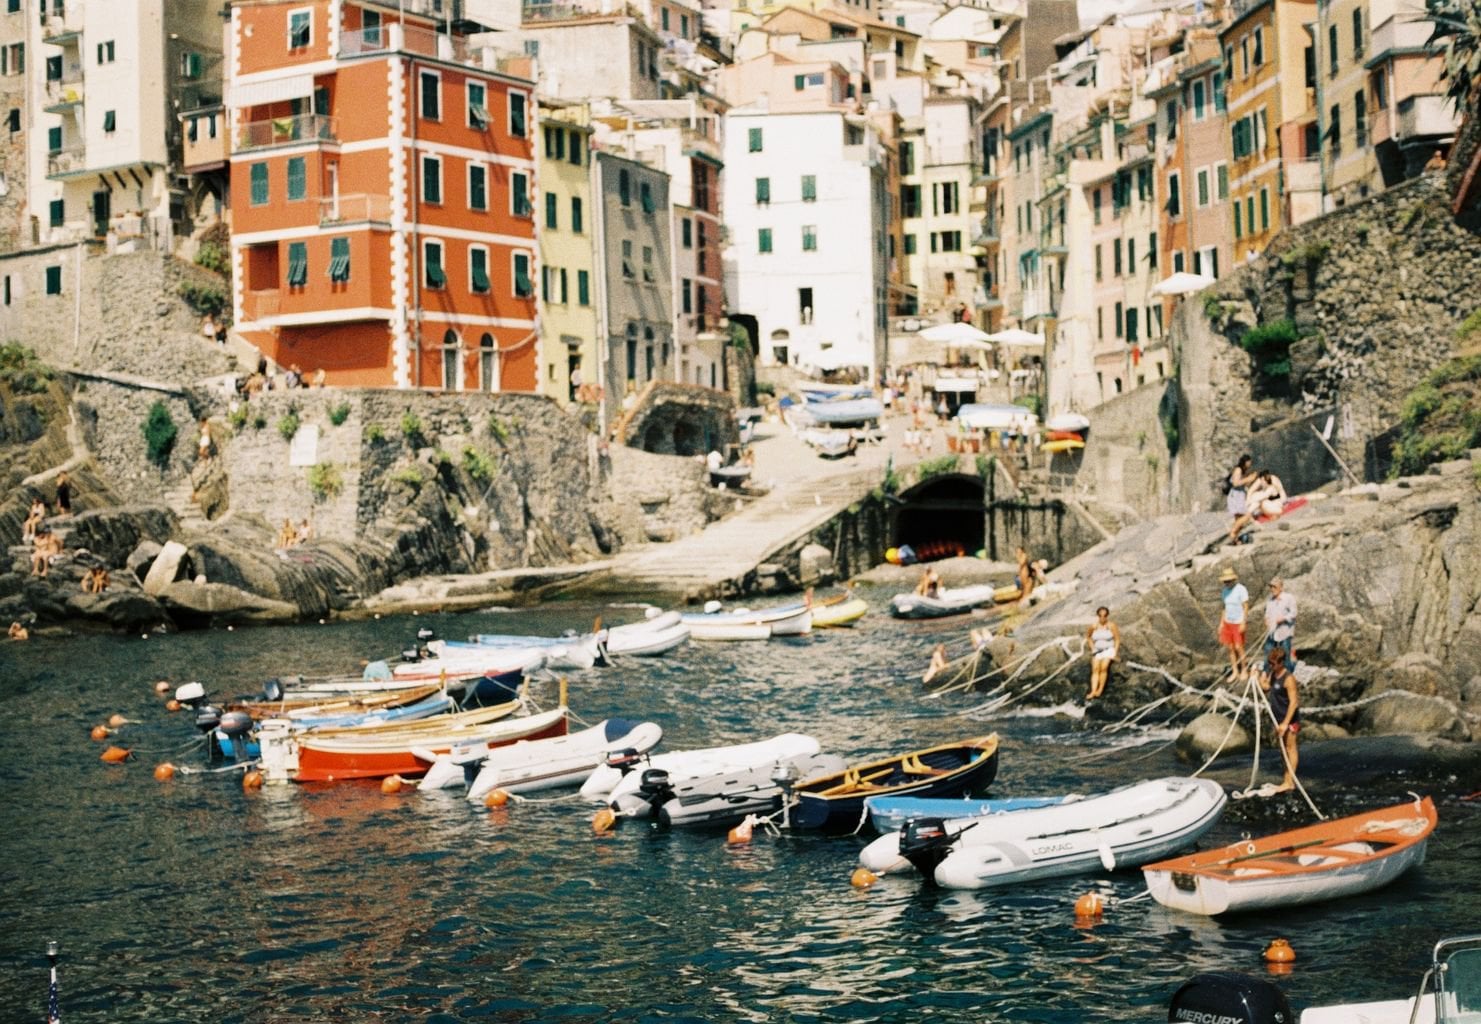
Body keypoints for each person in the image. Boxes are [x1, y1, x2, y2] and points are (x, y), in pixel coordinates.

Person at [1257, 645, 1301, 792]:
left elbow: (1294, 702)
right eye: (1269, 663)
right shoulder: (1273, 674)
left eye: (1273, 664)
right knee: (1283, 750)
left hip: (1289, 720)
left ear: (1281, 663)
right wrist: (1257, 675)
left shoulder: (1289, 679)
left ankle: (1290, 781)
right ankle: (1286, 780)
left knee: (1290, 748)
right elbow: (1265, 687)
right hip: (1278, 718)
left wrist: (1285, 724)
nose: (1271, 666)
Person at [1230, 470, 1288, 541]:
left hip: (1276, 505)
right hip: (1268, 504)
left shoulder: (1272, 484)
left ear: (1264, 479)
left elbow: (1280, 497)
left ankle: (1241, 521)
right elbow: (1251, 491)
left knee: (1257, 502)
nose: (1261, 483)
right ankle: (1244, 517)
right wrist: (1248, 501)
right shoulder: (1262, 481)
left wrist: (1250, 501)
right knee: (1254, 503)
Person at [1218, 566, 1250, 678]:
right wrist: (1221, 623)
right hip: (1228, 622)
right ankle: (1235, 670)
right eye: (1225, 581)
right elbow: (1224, 608)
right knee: (1230, 648)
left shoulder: (1241, 589)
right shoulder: (1224, 591)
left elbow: (1246, 607)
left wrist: (1243, 622)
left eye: (1228, 581)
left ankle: (1244, 670)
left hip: (1238, 622)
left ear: (1233, 580)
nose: (1227, 583)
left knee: (1239, 647)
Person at [1085, 605, 1120, 700]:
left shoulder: (1111, 626)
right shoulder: (1094, 626)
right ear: (1098, 616)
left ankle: (1100, 690)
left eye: (1104, 615)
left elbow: (1117, 639)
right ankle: (1093, 691)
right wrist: (1093, 648)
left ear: (1107, 616)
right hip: (1097, 650)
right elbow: (1088, 637)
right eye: (1100, 615)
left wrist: (1115, 653)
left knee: (1103, 667)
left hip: (1109, 650)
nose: (1102, 618)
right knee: (1095, 668)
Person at [1264, 577, 1297, 668]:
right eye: (1271, 587)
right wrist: (1266, 620)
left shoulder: (1289, 598)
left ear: (1281, 587)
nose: (1272, 589)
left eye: (1274, 587)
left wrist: (1283, 619)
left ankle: (1287, 676)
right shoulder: (1270, 600)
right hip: (1272, 633)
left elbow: (1293, 613)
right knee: (1268, 653)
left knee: (1285, 655)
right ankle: (1267, 674)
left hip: (1285, 633)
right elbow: (1267, 614)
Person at [1224, 455, 1255, 541]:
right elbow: (1235, 483)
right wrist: (1248, 479)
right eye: (1249, 462)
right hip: (1235, 497)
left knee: (1239, 518)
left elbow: (1241, 483)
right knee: (1247, 515)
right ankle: (1232, 532)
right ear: (1244, 462)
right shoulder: (1238, 469)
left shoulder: (1242, 471)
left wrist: (1250, 480)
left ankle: (1235, 539)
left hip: (1239, 496)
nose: (1250, 464)